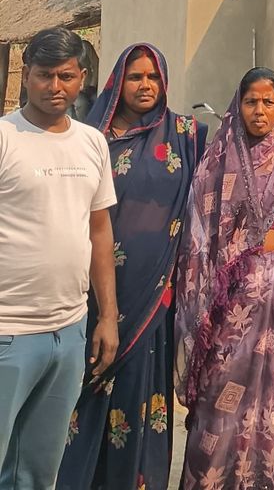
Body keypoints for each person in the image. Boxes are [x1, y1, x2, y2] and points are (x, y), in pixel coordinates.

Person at [57, 43, 205, 490]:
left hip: (154, 294)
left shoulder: (188, 135)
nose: (145, 85)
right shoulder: (88, 138)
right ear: (117, 82)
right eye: (135, 76)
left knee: (142, 390)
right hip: (93, 289)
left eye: (153, 77)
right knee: (86, 388)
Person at [174, 67, 274, 490]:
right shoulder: (216, 163)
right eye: (251, 101)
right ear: (237, 106)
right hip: (226, 304)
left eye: (268, 102)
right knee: (219, 396)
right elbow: (200, 234)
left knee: (270, 400)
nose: (259, 110)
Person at [0, 28, 119, 489]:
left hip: (68, 332)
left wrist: (106, 317)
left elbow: (99, 230)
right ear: (25, 76)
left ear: (82, 78)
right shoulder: (6, 138)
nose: (55, 86)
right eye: (44, 75)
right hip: (8, 329)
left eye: (65, 76)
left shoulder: (92, 142)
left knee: (38, 472)